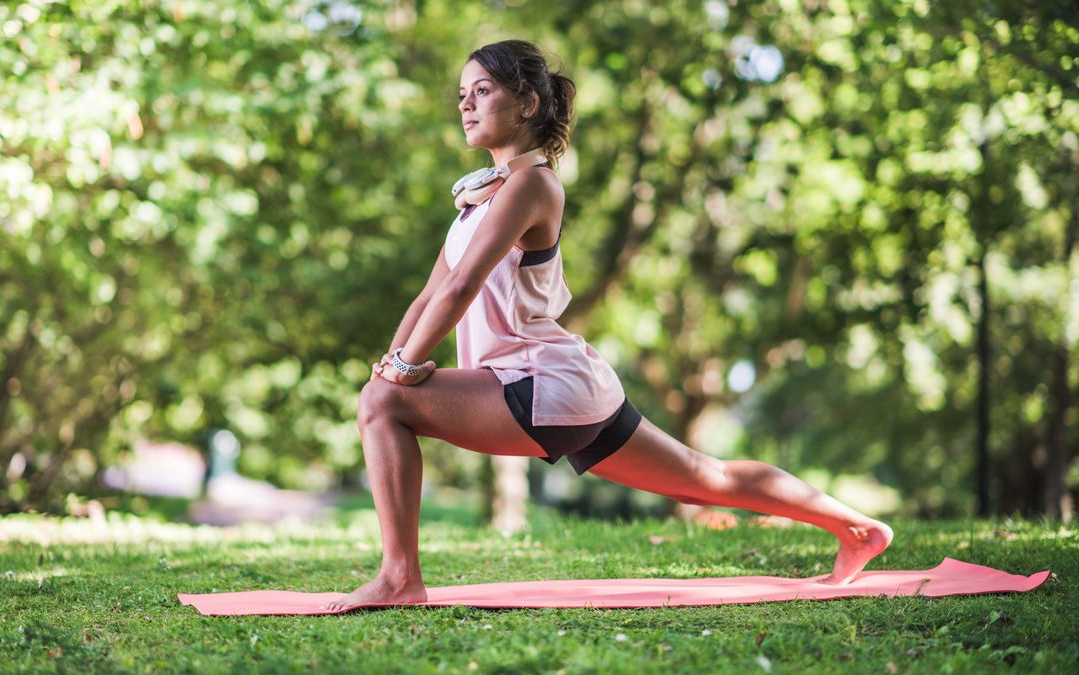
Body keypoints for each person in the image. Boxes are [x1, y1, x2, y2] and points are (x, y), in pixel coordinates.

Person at [321, 40, 892, 612]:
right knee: (705, 476)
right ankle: (856, 529)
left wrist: (400, 372)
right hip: (563, 385)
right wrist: (393, 357)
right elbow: (429, 294)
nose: (466, 105)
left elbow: (460, 288)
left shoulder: (532, 184)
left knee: (380, 405)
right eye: (463, 95)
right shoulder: (478, 198)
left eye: (483, 91)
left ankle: (400, 579)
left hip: (539, 382)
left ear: (527, 104)